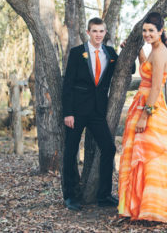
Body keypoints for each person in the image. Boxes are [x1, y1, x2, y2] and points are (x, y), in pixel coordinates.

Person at [118, 12, 167, 223]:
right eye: (144, 31)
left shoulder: (161, 52)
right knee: (141, 154)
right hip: (143, 104)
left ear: (160, 31)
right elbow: (147, 69)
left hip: (150, 107)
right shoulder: (154, 50)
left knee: (151, 155)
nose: (147, 34)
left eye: (151, 31)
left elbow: (155, 87)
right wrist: (137, 52)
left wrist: (145, 115)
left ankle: (155, 206)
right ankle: (140, 203)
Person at [62, 17, 124, 211]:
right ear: (88, 32)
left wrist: (128, 51)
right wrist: (68, 113)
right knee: (71, 152)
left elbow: (127, 69)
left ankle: (104, 195)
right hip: (77, 112)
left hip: (98, 112)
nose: (98, 35)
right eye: (94, 31)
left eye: (101, 31)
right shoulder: (76, 53)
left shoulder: (111, 54)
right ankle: (70, 196)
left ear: (106, 33)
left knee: (109, 148)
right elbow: (68, 84)